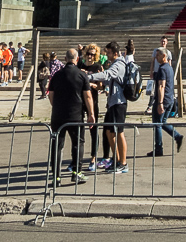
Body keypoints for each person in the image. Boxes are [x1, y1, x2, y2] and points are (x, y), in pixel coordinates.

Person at [48, 49, 92, 185]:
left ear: (65, 59)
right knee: (77, 143)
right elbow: (88, 96)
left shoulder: (57, 75)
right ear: (77, 59)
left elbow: (51, 94)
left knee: (57, 145)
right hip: (76, 115)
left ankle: (56, 177)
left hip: (58, 115)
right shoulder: (81, 75)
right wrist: (91, 114)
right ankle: (76, 173)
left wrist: (56, 107)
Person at [86, 41, 130, 174]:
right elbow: (107, 80)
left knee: (118, 132)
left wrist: (88, 76)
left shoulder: (119, 64)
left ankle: (123, 162)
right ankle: (116, 160)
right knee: (109, 132)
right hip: (112, 103)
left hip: (119, 103)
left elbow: (107, 75)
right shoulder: (114, 65)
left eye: (109, 52)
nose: (107, 54)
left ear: (115, 53)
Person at [148, 47, 184, 157]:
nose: (156, 57)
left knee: (157, 124)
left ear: (164, 56)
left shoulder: (163, 69)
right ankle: (177, 136)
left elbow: (161, 86)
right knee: (162, 122)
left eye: (158, 55)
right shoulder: (169, 68)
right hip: (170, 99)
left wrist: (159, 103)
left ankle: (158, 148)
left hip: (163, 100)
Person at [79, 44, 103, 172]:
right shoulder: (80, 66)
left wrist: (91, 85)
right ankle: (77, 159)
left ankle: (93, 158)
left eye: (93, 54)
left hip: (92, 102)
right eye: (88, 53)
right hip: (80, 101)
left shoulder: (97, 67)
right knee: (79, 131)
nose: (90, 56)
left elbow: (101, 86)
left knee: (93, 131)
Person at [147, 37, 172, 111]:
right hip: (156, 72)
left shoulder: (168, 52)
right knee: (154, 89)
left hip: (164, 72)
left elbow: (169, 64)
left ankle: (161, 103)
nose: (163, 43)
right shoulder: (156, 51)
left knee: (162, 88)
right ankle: (150, 105)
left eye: (164, 41)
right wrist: (151, 71)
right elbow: (153, 62)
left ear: (167, 42)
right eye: (162, 41)